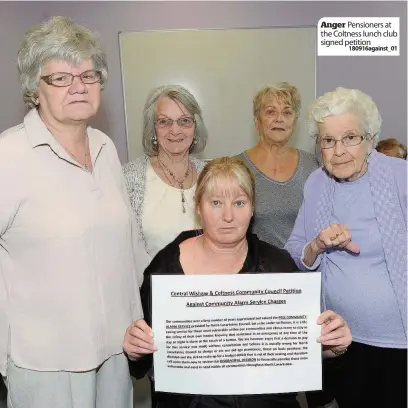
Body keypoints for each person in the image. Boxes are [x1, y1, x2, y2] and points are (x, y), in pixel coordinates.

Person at [0, 16, 148, 408]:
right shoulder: (8, 157)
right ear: (35, 89)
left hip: (117, 352)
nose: (79, 85)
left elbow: (129, 249)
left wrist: (140, 324)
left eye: (88, 74)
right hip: (46, 365)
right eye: (61, 78)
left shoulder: (105, 149)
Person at [123, 157, 352, 408]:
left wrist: (333, 346)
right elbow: (144, 358)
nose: (228, 216)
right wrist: (136, 349)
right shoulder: (165, 269)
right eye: (216, 203)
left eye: (239, 202)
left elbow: (305, 352)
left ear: (252, 208)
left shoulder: (278, 267)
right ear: (198, 207)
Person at [285, 87, 407, 407]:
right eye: (328, 140)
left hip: (398, 342)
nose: (338, 150)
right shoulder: (316, 183)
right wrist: (317, 244)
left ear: (369, 139)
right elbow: (297, 249)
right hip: (339, 342)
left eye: (350, 137)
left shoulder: (401, 177)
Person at [123, 85, 208, 261]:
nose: (175, 130)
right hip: (150, 286)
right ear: (152, 129)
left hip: (205, 286)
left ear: (195, 127)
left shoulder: (211, 175)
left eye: (184, 121)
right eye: (164, 121)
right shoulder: (128, 178)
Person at [237, 82, 320, 249]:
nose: (279, 119)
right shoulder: (237, 167)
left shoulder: (314, 166)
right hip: (255, 270)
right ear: (257, 121)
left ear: (294, 122)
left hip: (304, 269)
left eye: (287, 112)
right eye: (270, 112)